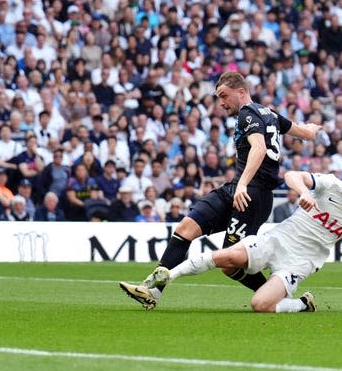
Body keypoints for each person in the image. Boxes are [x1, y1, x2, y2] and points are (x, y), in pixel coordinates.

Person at [120, 71, 321, 310]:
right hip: (235, 188)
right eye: (218, 98)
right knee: (185, 228)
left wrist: (244, 184)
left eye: (224, 96)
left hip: (251, 195)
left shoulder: (248, 113)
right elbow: (305, 134)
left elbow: (258, 149)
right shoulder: (269, 114)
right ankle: (153, 291)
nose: (221, 103)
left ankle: (281, 298)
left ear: (241, 91)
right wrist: (312, 129)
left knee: (229, 262)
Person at [121, 161, 342, 312]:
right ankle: (160, 283)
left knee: (260, 306)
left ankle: (301, 304)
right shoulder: (331, 185)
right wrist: (304, 194)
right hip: (277, 239)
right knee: (227, 259)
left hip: (300, 263)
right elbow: (291, 175)